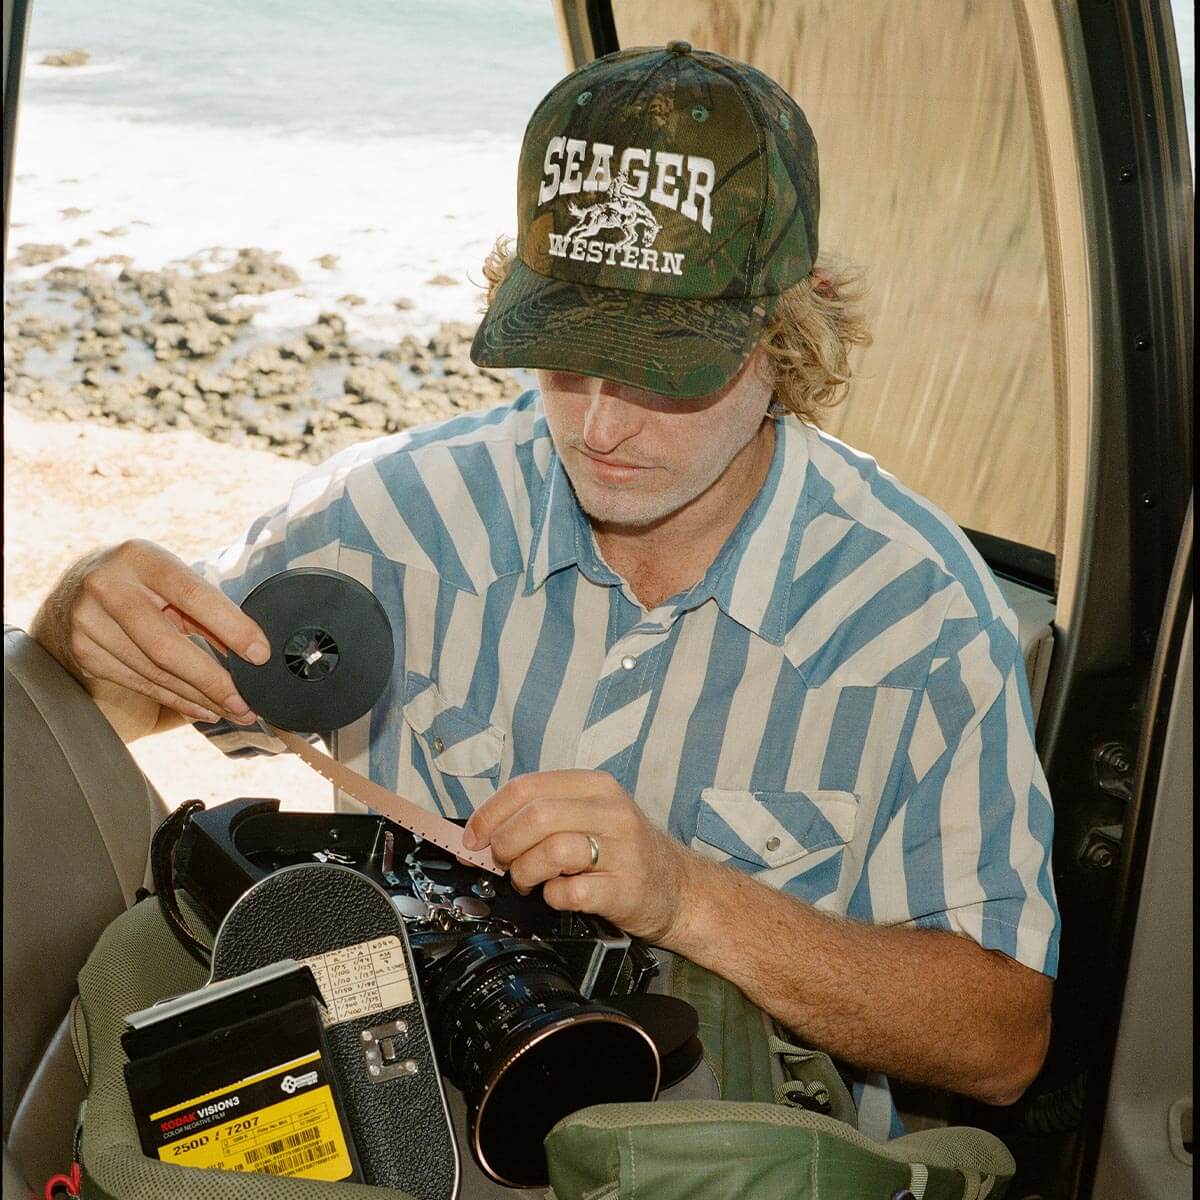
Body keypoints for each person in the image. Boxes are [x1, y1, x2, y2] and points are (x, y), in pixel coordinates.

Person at [31, 42, 1058, 1146]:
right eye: (567, 356)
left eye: (666, 369)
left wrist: (688, 899)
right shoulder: (392, 518)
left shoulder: (917, 615)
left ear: (785, 328)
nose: (601, 428)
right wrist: (79, 612)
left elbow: (1002, 1043)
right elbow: (123, 703)